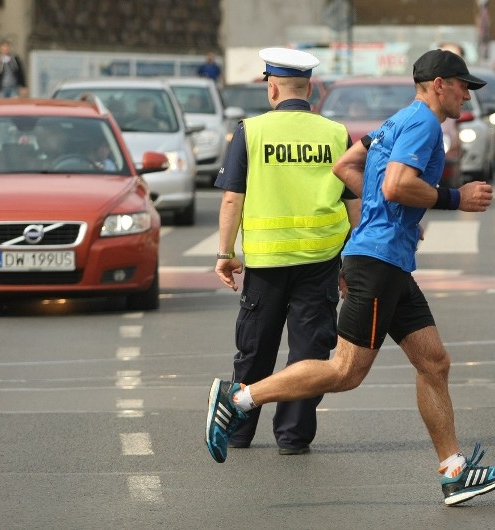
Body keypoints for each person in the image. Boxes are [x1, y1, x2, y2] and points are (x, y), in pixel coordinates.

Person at [205, 49, 495, 506]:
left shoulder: (396, 121)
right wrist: (454, 197)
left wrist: (380, 212)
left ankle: (453, 472)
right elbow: (395, 183)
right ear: (438, 85)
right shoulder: (425, 124)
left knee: (434, 362)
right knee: (345, 371)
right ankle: (237, 399)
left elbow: (347, 167)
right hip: (378, 262)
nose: (466, 95)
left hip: (386, 259)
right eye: (462, 85)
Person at [210, 47, 360, 456]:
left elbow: (231, 200)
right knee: (310, 350)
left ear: (271, 87)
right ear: (310, 88)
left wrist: (225, 253)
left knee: (255, 348)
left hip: (267, 264)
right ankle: (293, 437)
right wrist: (351, 263)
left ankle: (238, 431)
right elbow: (353, 205)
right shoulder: (335, 133)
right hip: (321, 260)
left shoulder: (250, 131)